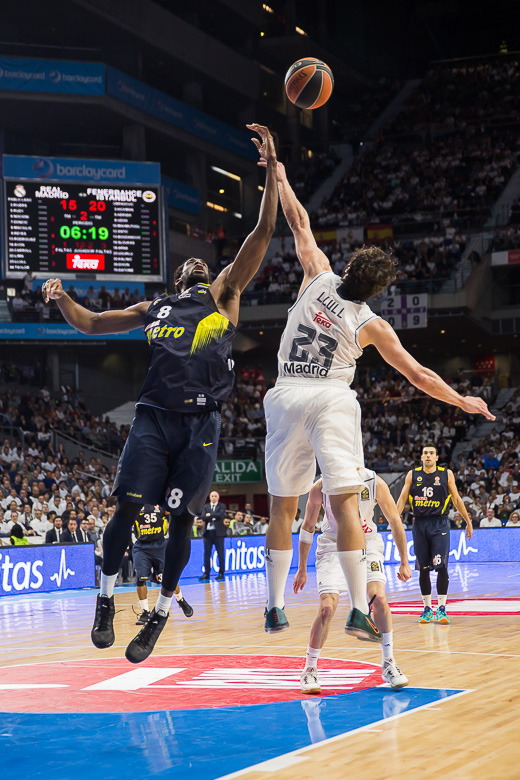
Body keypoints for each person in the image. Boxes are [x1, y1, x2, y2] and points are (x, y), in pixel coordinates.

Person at [43, 123, 278, 664]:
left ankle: (159, 615)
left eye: (202, 264)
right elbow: (91, 323)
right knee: (124, 512)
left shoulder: (223, 293)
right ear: (177, 280)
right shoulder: (154, 309)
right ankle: (105, 599)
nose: (197, 266)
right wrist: (61, 298)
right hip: (152, 419)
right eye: (188, 267)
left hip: (199, 424)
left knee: (180, 521)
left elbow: (263, 232)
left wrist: (271, 171)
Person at [259, 158, 494, 636]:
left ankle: (275, 606)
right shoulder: (371, 323)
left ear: (346, 268)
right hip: (329, 399)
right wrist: (463, 401)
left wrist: (280, 176)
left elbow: (299, 221)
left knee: (282, 507)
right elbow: (421, 376)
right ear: (377, 291)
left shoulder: (317, 275)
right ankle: (358, 608)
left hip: (284, 393)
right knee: (345, 503)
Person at [294, 468, 411, 693]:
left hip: (367, 543)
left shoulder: (374, 481)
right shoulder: (321, 486)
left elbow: (395, 520)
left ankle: (388, 663)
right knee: (327, 607)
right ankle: (309, 669)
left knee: (379, 598)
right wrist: (301, 568)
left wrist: (404, 560)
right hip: (332, 546)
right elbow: (308, 526)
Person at [397, 444, 473, 624]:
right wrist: (394, 521)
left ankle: (441, 608)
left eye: (431, 453)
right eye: (425, 453)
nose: (428, 456)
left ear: (437, 457)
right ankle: (427, 608)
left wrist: (468, 521)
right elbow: (401, 500)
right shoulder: (412, 475)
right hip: (420, 524)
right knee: (423, 568)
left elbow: (456, 499)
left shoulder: (446, 474)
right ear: (421, 457)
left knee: (441, 566)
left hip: (440, 524)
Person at [133, 504, 193, 624]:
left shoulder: (160, 503)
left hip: (160, 545)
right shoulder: (136, 502)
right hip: (141, 546)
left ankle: (180, 600)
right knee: (141, 579)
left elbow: (174, 511)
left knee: (168, 577)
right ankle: (145, 612)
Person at [198, 490, 227, 582]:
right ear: (209, 497)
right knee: (207, 554)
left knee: (220, 554)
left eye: (215, 496)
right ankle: (206, 573)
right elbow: (203, 517)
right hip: (207, 533)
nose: (214, 498)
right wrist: (212, 516)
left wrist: (209, 515)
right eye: (212, 496)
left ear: (218, 497)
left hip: (218, 533)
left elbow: (220, 515)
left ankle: (221, 572)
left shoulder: (222, 506)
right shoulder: (206, 506)